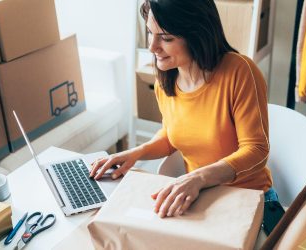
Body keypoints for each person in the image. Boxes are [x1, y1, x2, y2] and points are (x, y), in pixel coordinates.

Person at [90, 0, 276, 218]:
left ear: (197, 35)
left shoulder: (239, 72)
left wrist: (198, 178)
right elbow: (172, 136)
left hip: (250, 199)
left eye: (166, 38)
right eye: (151, 33)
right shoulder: (166, 80)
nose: (152, 46)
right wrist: (135, 154)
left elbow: (256, 151)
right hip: (201, 198)